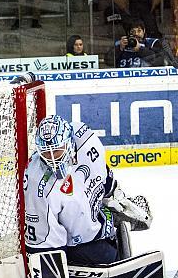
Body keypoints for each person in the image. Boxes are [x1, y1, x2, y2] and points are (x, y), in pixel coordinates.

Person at [24, 114, 150, 266]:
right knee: (109, 260)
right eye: (45, 152)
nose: (52, 158)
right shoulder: (38, 185)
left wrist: (115, 196)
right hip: (79, 246)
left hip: (100, 222)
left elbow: (100, 171)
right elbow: (43, 245)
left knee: (114, 246)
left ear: (70, 142)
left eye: (57, 150)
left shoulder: (85, 138)